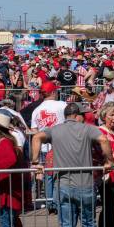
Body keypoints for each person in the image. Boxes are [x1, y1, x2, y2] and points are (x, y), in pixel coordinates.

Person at [31, 102, 114, 227]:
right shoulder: (87, 128)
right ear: (77, 116)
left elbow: (36, 137)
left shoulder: (56, 129)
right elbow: (104, 139)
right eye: (81, 115)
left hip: (64, 185)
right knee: (89, 225)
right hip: (86, 184)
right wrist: (109, 160)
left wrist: (35, 161)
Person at [30, 81, 68, 214]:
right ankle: (58, 203)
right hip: (62, 146)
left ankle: (50, 203)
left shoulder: (36, 110)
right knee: (60, 175)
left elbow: (34, 132)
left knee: (49, 176)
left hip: (44, 147)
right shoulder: (62, 105)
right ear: (53, 92)